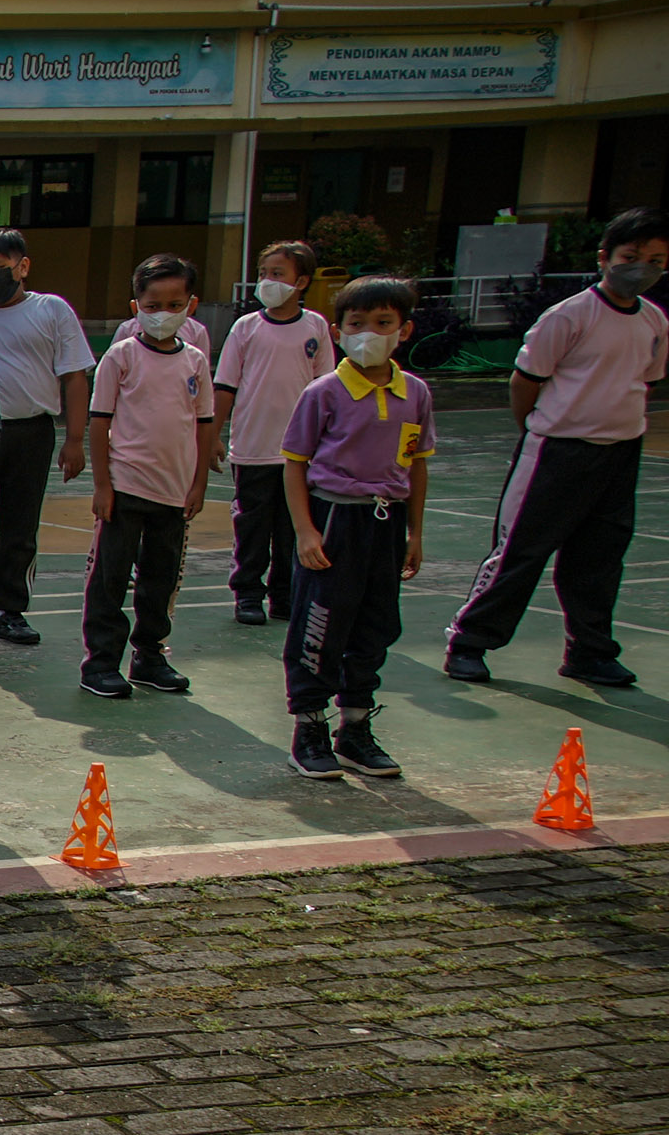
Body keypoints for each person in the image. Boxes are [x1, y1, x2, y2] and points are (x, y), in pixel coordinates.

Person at [446, 206, 668, 690]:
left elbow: (644, 382)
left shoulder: (654, 321)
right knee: (520, 552)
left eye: (655, 260)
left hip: (619, 454)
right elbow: (525, 381)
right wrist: (536, 428)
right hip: (556, 452)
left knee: (600, 558)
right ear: (605, 257)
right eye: (631, 256)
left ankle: (589, 651)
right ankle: (469, 641)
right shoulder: (569, 316)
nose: (642, 268)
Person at [283, 278, 434, 779]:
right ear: (338, 331)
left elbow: (416, 466)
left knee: (375, 624)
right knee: (320, 624)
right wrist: (306, 531)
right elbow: (295, 464)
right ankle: (309, 727)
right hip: (334, 518)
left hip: (385, 521)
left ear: (404, 330)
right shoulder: (323, 393)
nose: (370, 333)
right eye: (357, 324)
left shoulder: (415, 393)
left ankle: (355, 728)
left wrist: (415, 533)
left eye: (383, 324)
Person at [81, 254, 216, 701]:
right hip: (125, 488)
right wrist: (103, 485)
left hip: (174, 492)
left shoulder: (195, 361)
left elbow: (202, 423)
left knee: (160, 578)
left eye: (173, 303)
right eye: (152, 303)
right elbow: (99, 422)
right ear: (135, 304)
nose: (162, 312)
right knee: (110, 577)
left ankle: (149, 655)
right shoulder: (120, 357)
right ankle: (100, 662)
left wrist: (197, 485)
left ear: (190, 306)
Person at [0, 229, 91, 646]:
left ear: (23, 266)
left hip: (32, 431)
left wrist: (75, 439)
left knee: (20, 525)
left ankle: (11, 611)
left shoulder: (52, 310)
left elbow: (74, 375)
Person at [211, 239, 335, 627]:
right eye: (263, 274)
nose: (267, 281)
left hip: (299, 454)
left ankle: (285, 595)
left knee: (291, 527)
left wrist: (326, 441)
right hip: (253, 447)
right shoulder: (245, 328)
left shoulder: (315, 327)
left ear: (301, 282)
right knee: (251, 525)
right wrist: (213, 434)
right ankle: (248, 593)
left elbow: (326, 387)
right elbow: (226, 385)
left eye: (277, 274)